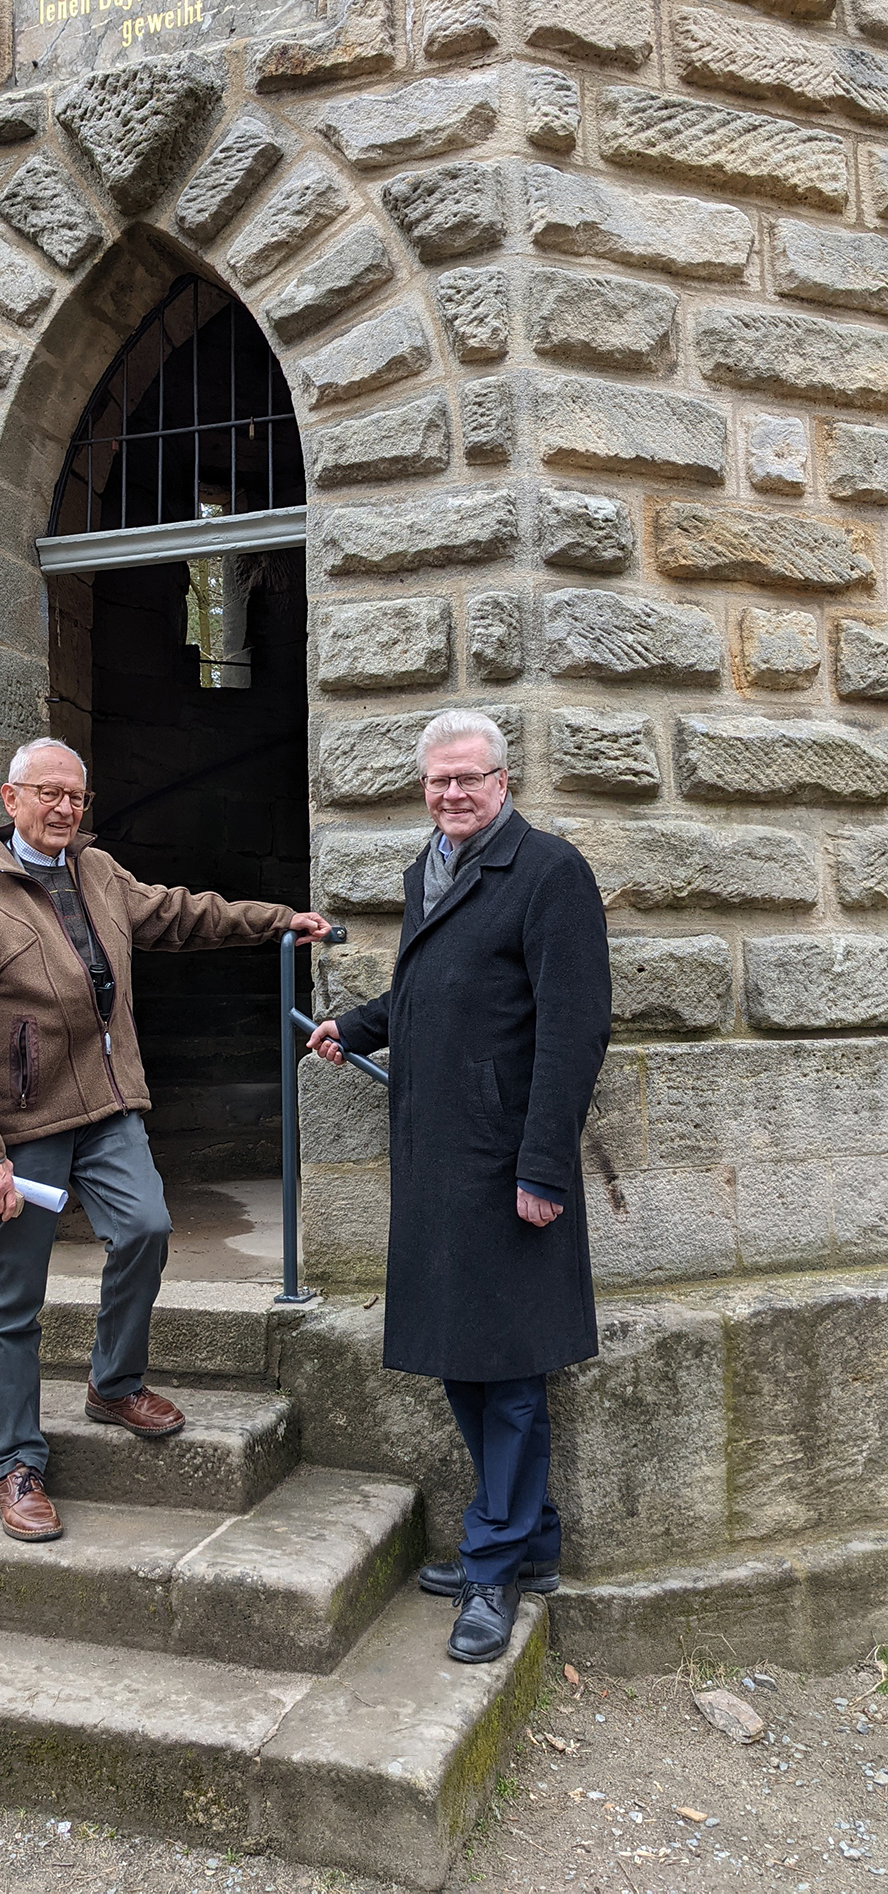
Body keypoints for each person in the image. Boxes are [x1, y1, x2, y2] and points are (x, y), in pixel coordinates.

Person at [0, 737, 329, 1542]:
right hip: (21, 1126)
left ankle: (114, 1381)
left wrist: (278, 920)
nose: (66, 807)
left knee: (145, 1228)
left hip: (108, 1108)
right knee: (12, 1299)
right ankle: (17, 1464)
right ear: (11, 799)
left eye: (77, 795)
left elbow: (180, 913)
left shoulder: (98, 874)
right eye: (49, 793)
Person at [307, 708, 610, 1663]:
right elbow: (427, 989)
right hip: (437, 1159)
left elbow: (574, 1030)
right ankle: (529, 1543)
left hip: (506, 1161)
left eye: (468, 778)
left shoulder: (551, 873)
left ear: (504, 780)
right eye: (438, 781)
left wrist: (544, 1166)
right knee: (460, 1358)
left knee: (509, 1373)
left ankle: (493, 1569)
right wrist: (354, 1027)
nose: (451, 794)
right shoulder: (429, 869)